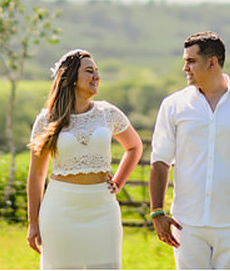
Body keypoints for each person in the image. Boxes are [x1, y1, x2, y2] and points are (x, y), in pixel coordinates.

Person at [148, 31, 230, 270]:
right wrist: (157, 212)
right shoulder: (173, 105)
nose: (185, 68)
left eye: (190, 61)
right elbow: (160, 160)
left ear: (212, 62)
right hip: (186, 224)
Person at [27, 49, 143, 269]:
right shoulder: (47, 119)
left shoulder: (108, 113)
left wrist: (118, 182)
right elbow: (36, 174)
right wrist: (33, 222)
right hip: (60, 211)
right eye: (89, 71)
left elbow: (134, 146)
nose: (96, 77)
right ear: (70, 78)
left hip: (103, 211)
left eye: (97, 72)